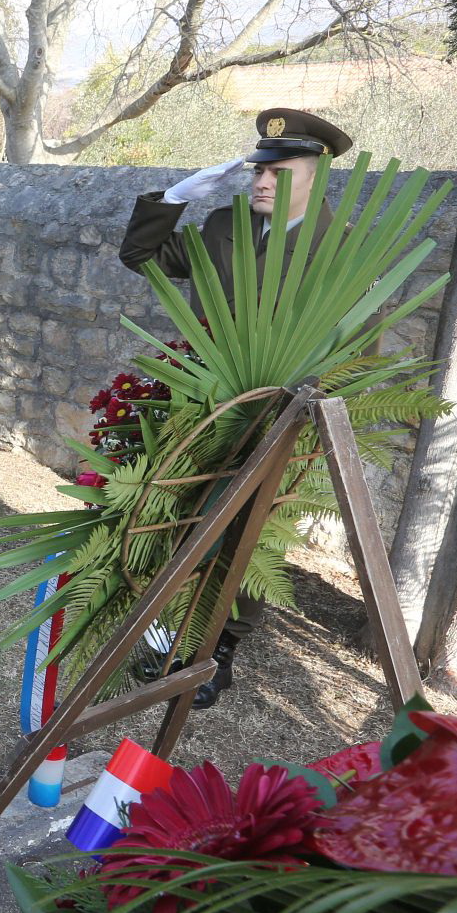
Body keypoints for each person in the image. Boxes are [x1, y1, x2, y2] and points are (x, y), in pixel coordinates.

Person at [120, 106, 352, 707]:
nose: (262, 181)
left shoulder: (343, 249)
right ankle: (164, 633)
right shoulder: (227, 226)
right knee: (174, 515)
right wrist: (173, 198)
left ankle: (220, 648)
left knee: (250, 539)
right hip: (205, 403)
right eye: (258, 169)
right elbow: (141, 258)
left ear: (318, 174)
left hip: (282, 418)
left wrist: (306, 420)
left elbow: (357, 351)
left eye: (280, 170)